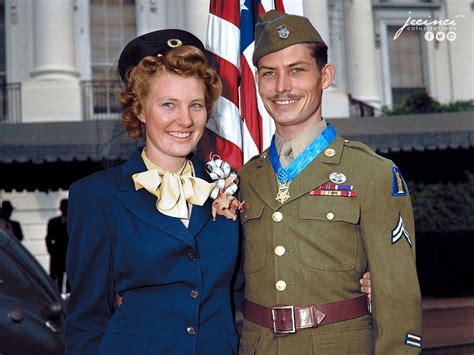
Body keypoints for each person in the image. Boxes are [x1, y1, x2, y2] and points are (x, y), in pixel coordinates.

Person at [238, 10, 422, 354]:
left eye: (297, 70)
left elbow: (398, 298)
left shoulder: (371, 173)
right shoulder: (246, 178)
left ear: (325, 76)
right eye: (269, 74)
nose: (282, 87)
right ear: (257, 81)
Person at [46, 199, 70, 293]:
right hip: (58, 257)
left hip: (70, 256)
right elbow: (48, 238)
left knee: (71, 282)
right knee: (57, 281)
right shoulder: (53, 222)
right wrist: (52, 251)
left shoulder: (75, 222)